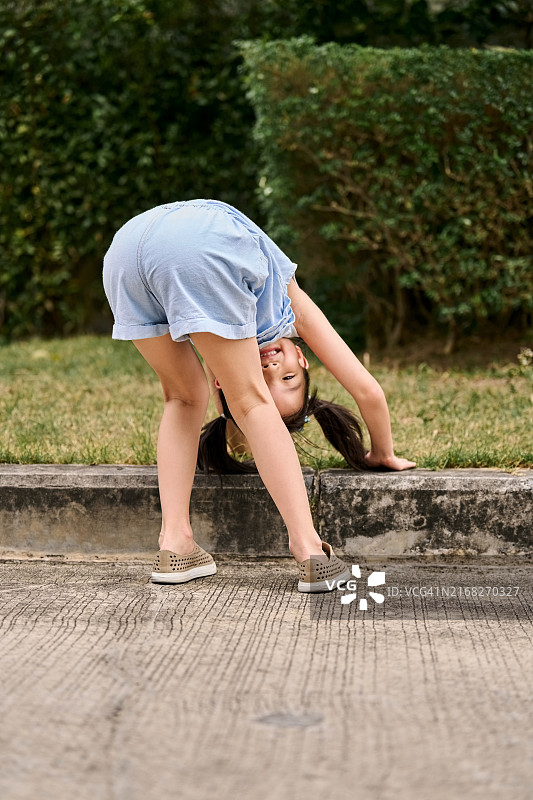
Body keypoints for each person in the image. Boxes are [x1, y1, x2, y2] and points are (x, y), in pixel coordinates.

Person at [103, 199, 415, 593]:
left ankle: (175, 545)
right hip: (190, 244)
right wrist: (381, 453)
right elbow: (367, 390)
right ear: (302, 359)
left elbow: (224, 392)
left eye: (270, 381)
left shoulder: (232, 332)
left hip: (126, 250)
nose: (269, 370)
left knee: (182, 397)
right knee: (249, 403)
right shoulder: (291, 307)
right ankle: (310, 551)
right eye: (288, 378)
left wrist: (233, 409)